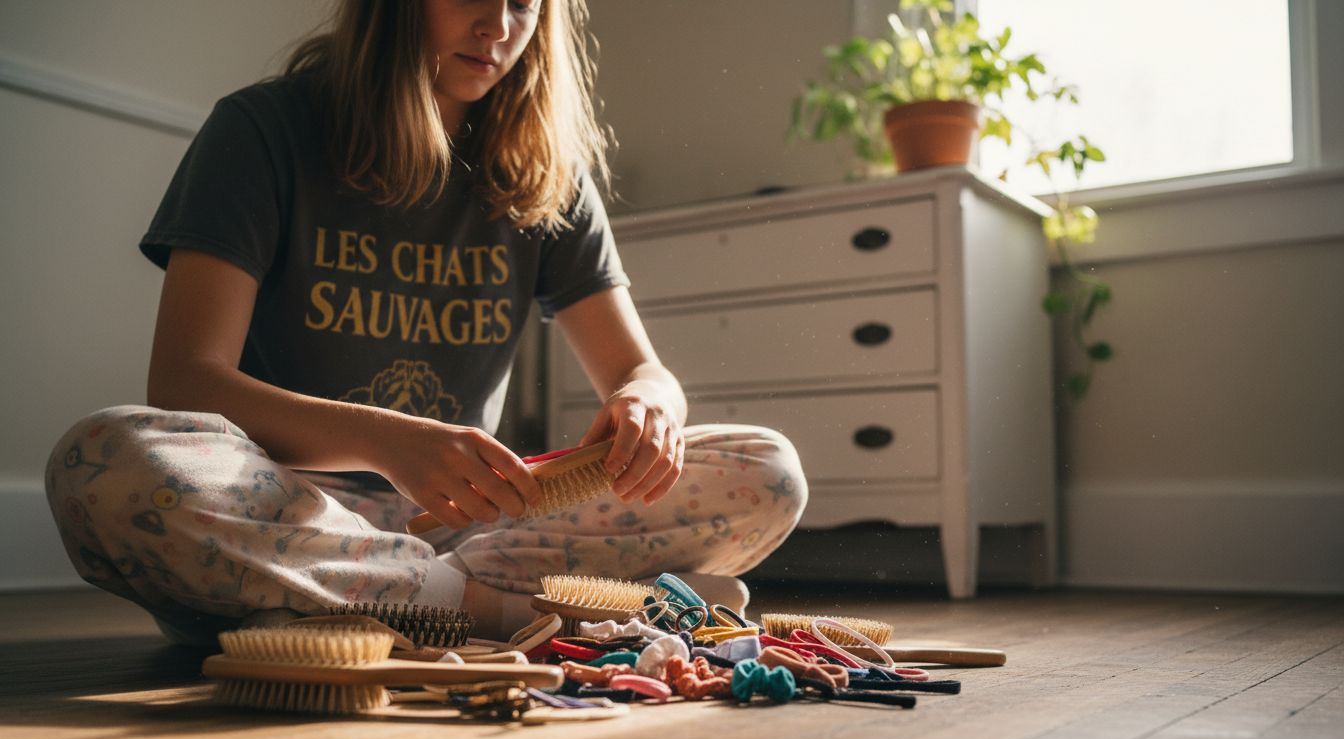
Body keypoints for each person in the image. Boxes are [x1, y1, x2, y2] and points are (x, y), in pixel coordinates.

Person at [44, 0, 806, 644]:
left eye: (524, 3)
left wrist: (652, 407)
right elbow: (184, 380)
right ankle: (509, 611)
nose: (498, 27)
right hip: (284, 505)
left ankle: (353, 599)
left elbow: (641, 371)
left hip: (472, 528)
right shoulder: (263, 129)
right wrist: (386, 440)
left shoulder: (545, 170)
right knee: (102, 460)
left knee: (765, 469)